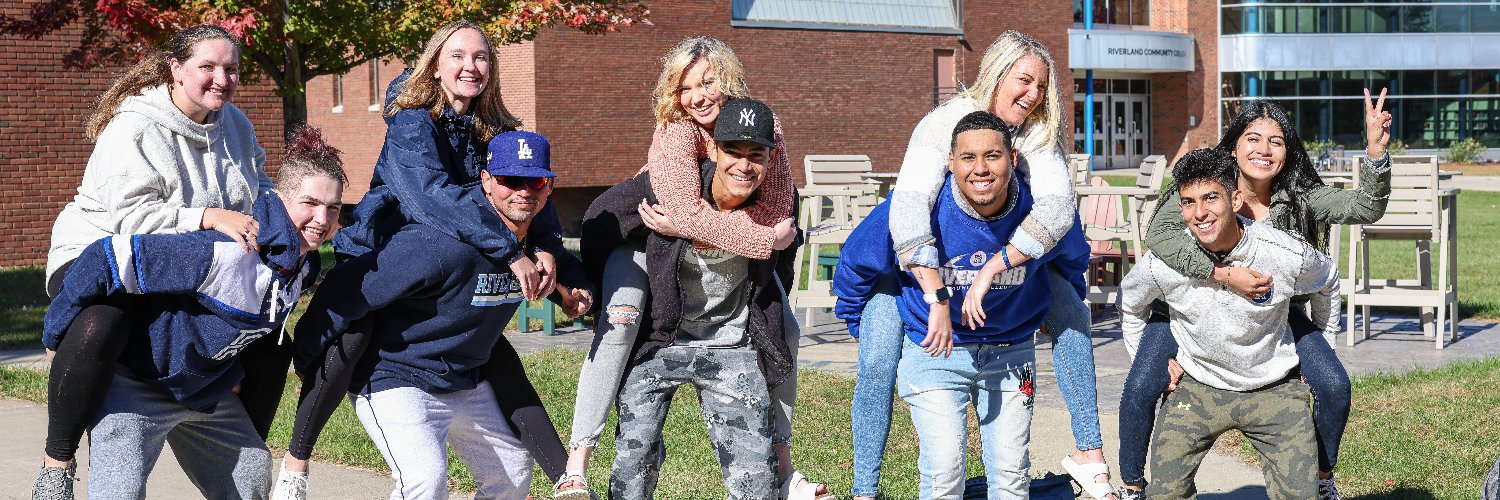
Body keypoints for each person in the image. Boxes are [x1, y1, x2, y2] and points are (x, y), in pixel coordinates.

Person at [292, 19, 576, 485]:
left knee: (490, 352)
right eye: (457, 57)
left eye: (481, 57)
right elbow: (431, 195)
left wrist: (544, 246)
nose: (470, 66)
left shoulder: (492, 127)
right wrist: (511, 251)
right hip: (384, 250)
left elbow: (526, 183)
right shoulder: (412, 118)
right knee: (355, 334)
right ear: (436, 66)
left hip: (452, 258)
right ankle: (297, 461)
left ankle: (568, 479)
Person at [559, 36, 822, 500]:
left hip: (709, 234)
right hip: (638, 234)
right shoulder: (676, 127)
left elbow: (778, 205)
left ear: (731, 80)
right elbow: (681, 212)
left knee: (789, 331)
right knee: (621, 320)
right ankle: (576, 464)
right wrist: (765, 241)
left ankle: (783, 469)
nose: (697, 96)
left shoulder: (763, 124)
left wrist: (753, 233)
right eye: (684, 87)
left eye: (708, 82)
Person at [35, 24, 281, 498]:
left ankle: (227, 433)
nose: (221, 79)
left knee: (270, 326)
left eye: (230, 68)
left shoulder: (236, 124)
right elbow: (132, 218)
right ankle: (56, 463)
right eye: (206, 67)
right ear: (175, 69)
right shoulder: (135, 125)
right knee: (107, 319)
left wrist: (283, 222)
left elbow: (260, 188)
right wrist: (209, 216)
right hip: (99, 252)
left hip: (180, 261)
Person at [277, 130, 593, 499]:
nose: (524, 191)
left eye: (535, 181)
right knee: (426, 480)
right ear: (487, 182)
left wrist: (580, 290)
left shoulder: (537, 246)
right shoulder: (437, 245)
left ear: (550, 187)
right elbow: (346, 290)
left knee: (513, 472)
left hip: (464, 379)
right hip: (395, 376)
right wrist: (307, 356)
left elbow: (570, 269)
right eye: (510, 180)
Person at [867, 30, 1112, 499]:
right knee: (879, 350)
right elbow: (907, 211)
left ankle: (1089, 451)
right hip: (915, 268)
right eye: (1024, 80)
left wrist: (999, 265)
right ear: (996, 74)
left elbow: (1059, 210)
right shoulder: (943, 125)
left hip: (1011, 266)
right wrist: (936, 292)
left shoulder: (1037, 131)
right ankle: (864, 487)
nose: (1034, 95)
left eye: (1042, 86)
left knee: (1071, 310)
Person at [36, 125, 345, 499]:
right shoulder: (227, 251)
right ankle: (53, 475)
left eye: (333, 208)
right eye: (309, 203)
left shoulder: (301, 266)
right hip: (140, 384)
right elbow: (104, 259)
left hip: (204, 393)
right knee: (118, 492)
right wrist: (56, 336)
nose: (321, 218)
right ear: (279, 198)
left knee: (252, 477)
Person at [1120, 93, 1394, 499]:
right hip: (1189, 305)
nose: (1264, 149)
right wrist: (1224, 274)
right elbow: (1159, 237)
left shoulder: (1298, 197)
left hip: (1272, 308)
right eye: (1253, 138)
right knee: (1143, 384)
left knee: (1333, 384)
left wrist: (1374, 152)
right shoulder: (1205, 186)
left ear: (1287, 152)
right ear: (1234, 145)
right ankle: (1132, 484)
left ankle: (1320, 477)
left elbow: (1364, 210)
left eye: (1276, 141)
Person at [837, 111, 1089, 499]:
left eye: (993, 156)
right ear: (950, 162)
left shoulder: (1038, 214)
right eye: (968, 158)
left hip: (1010, 353)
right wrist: (860, 325)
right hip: (936, 353)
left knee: (1010, 477)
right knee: (944, 474)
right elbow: (855, 261)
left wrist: (1045, 311)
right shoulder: (923, 209)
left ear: (1013, 159)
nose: (981, 169)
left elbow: (1072, 263)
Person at [1119, 148, 1340, 499]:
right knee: (1166, 494)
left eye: (1211, 198)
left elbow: (1328, 279)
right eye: (1189, 202)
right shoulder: (1164, 264)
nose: (1200, 213)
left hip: (1273, 388)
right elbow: (1130, 304)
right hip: (1197, 385)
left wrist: (1323, 346)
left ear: (1236, 199)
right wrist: (1153, 361)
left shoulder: (1282, 252)